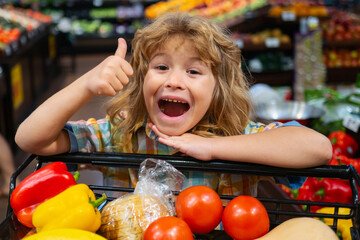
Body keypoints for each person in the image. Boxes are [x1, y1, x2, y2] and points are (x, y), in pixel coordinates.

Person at [15, 12, 332, 196]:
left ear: (218, 89)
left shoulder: (235, 136)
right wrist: (85, 85)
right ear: (141, 81)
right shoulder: (120, 135)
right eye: (161, 67)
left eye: (194, 71)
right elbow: (30, 138)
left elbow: (317, 148)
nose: (175, 81)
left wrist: (213, 148)